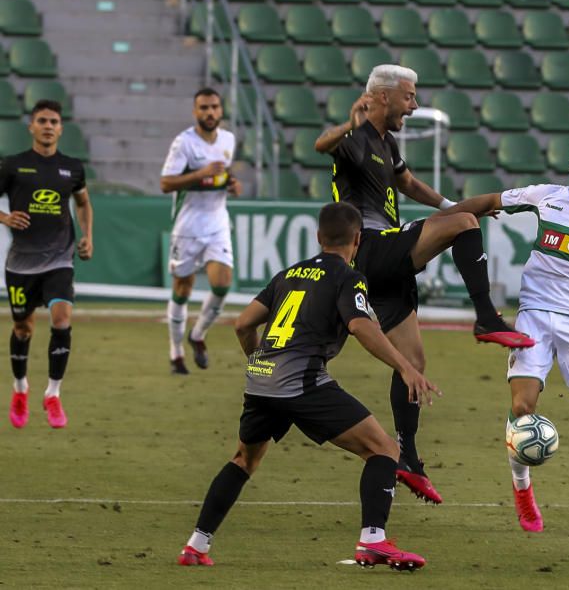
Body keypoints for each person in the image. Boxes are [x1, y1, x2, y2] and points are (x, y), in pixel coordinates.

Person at [314, 64, 533, 505]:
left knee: (412, 361)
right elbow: (322, 145)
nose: (413, 106)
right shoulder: (355, 137)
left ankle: (407, 457)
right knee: (465, 225)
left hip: (384, 269)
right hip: (371, 246)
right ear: (383, 96)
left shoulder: (386, 142)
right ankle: (486, 317)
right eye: (409, 97)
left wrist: (449, 204)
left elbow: (407, 183)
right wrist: (349, 124)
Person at [177, 201, 439, 571]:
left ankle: (195, 545)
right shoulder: (349, 277)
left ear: (318, 237)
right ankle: (373, 541)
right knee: (384, 451)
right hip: (301, 382)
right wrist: (406, 367)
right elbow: (362, 326)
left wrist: (257, 362)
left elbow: (242, 324)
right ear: (358, 240)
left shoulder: (287, 274)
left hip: (261, 381)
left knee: (244, 460)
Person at [439, 130, 569, 536]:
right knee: (523, 408)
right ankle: (523, 491)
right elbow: (489, 202)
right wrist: (443, 215)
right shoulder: (545, 197)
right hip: (534, 316)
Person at [0, 100, 93, 429]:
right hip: (21, 264)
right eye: (42, 120)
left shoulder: (72, 167)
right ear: (31, 126)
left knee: (62, 318)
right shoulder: (12, 165)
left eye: (54, 121)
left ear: (60, 128)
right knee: (23, 329)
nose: (48, 126)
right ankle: (20, 388)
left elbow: (83, 202)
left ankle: (53, 394)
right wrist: (5, 217)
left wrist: (87, 235)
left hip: (59, 259)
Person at [160, 87, 240, 375]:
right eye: (204, 108)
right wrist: (199, 174)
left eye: (214, 107)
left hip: (217, 223)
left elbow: (223, 174)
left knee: (222, 284)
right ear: (195, 112)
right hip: (188, 226)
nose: (210, 113)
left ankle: (198, 335)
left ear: (221, 110)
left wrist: (232, 183)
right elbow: (166, 183)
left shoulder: (229, 139)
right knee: (183, 289)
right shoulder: (184, 143)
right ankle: (176, 351)